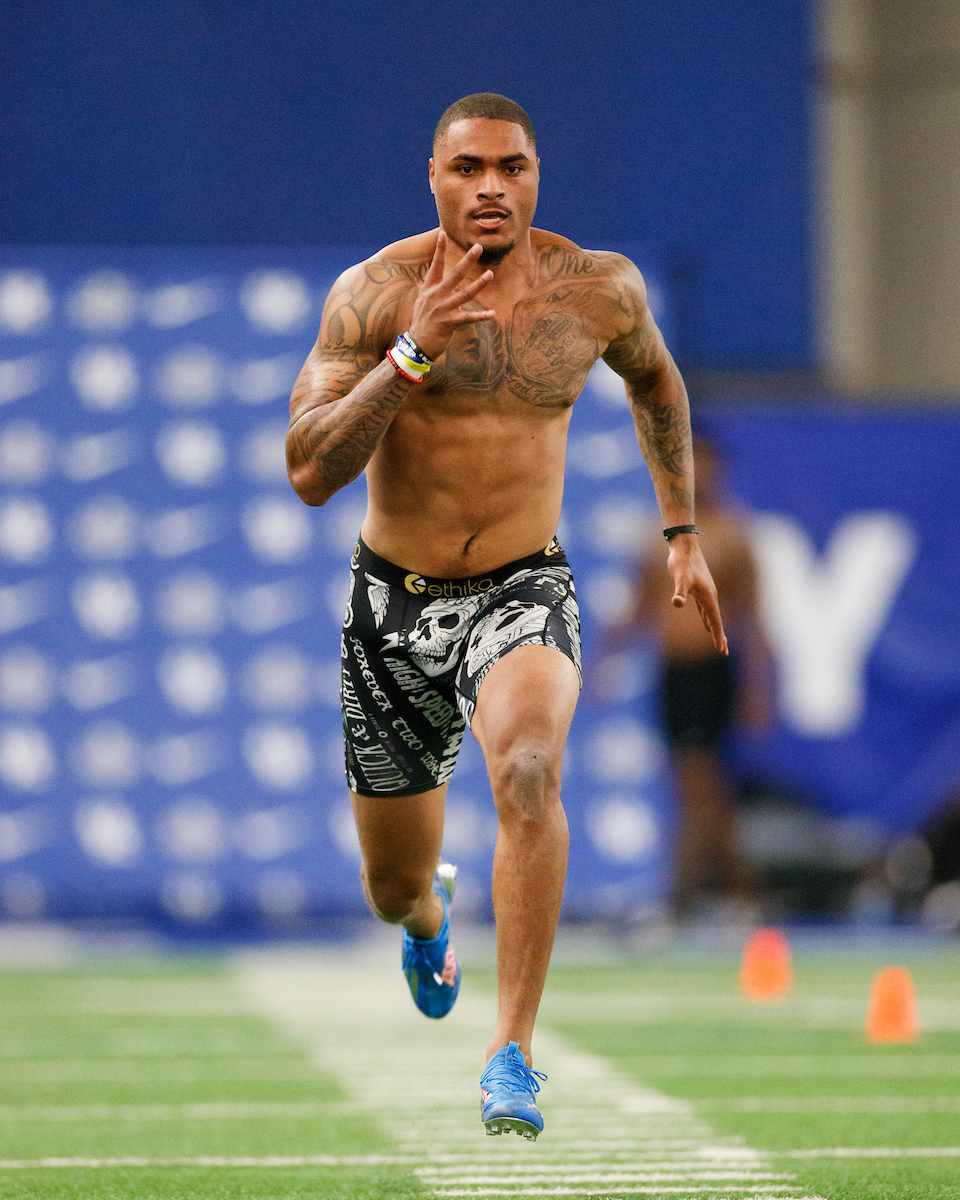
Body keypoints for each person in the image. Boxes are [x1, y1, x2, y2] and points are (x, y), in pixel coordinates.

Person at [285, 92, 726, 1139]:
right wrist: (411, 356)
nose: (492, 188)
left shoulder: (597, 291)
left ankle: (511, 1052)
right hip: (394, 606)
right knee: (391, 882)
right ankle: (428, 921)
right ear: (432, 178)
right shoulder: (374, 295)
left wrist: (681, 533)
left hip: (523, 585)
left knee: (529, 768)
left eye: (513, 168)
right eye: (469, 168)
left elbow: (657, 384)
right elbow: (308, 470)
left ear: (538, 176)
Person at [609, 435, 772, 920]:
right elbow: (640, 607)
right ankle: (708, 890)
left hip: (712, 669)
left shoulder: (734, 534)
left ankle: (721, 888)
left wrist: (759, 689)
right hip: (671, 672)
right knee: (689, 783)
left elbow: (753, 618)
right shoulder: (656, 533)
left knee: (700, 779)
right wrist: (597, 660)